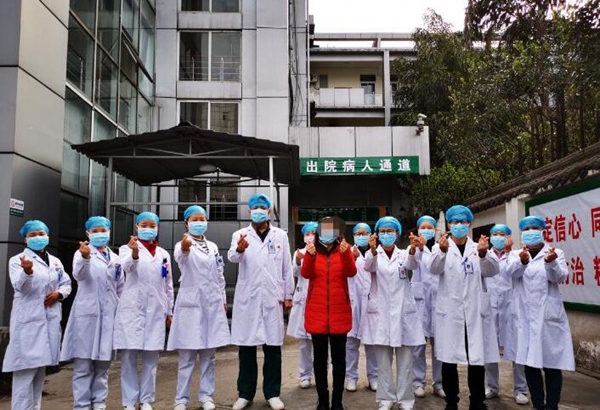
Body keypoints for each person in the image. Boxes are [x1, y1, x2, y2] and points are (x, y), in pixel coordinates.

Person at [426, 205, 500, 410]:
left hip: (474, 313)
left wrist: (484, 255)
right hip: (450, 313)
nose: (459, 225)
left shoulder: (479, 248)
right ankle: (452, 402)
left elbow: (493, 270)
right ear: (449, 225)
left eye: (463, 222)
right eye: (454, 222)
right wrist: (442, 251)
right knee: (449, 361)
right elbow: (433, 269)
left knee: (476, 360)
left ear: (469, 224)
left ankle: (477, 402)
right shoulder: (439, 247)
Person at [227, 194, 294, 410]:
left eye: (262, 207)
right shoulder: (240, 234)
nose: (258, 210)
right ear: (249, 211)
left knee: (273, 348)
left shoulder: (280, 236)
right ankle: (245, 394)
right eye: (254, 207)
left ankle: (272, 393)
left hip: (272, 297)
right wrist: (240, 249)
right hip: (249, 298)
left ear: (269, 211)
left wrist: (288, 295)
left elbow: (286, 266)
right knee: (246, 348)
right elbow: (232, 258)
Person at [504, 216, 575, 410]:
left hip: (548, 316)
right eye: (526, 229)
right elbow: (511, 273)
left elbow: (560, 277)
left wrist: (551, 263)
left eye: (534, 227)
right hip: (525, 317)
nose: (530, 231)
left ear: (543, 230)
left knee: (552, 364)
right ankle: (538, 405)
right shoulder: (516, 254)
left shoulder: (555, 253)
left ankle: (552, 406)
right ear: (521, 232)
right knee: (530, 365)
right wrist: (522, 262)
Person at [3, 220, 72, 410]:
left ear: (47, 236)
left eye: (41, 234)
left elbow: (66, 283)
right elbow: (21, 287)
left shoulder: (55, 261)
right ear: (25, 239)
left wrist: (59, 294)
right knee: (25, 373)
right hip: (28, 322)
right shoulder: (17, 260)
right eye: (32, 235)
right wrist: (27, 272)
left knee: (40, 372)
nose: (38, 237)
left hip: (49, 320)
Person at [168, 205, 231, 410]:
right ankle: (181, 399)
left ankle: (206, 397)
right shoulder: (181, 244)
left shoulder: (213, 246)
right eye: (194, 219)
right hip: (191, 305)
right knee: (187, 357)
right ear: (186, 223)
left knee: (208, 356)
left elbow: (219, 274)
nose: (198, 223)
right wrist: (186, 248)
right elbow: (181, 257)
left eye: (202, 219)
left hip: (212, 303)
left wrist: (222, 298)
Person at [61, 216, 124, 410]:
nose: (100, 234)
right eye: (95, 231)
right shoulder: (81, 253)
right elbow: (78, 275)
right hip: (87, 314)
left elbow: (120, 287)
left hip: (109, 315)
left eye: (103, 230)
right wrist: (86, 258)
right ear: (88, 233)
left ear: (109, 232)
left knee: (103, 365)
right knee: (83, 365)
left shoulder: (115, 258)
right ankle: (81, 405)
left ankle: (99, 403)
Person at [362, 216, 425, 410]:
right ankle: (385, 399)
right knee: (383, 363)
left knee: (405, 363)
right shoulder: (374, 254)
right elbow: (368, 266)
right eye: (383, 231)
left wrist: (413, 250)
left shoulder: (404, 253)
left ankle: (406, 400)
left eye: (390, 231)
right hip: (381, 315)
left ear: (397, 234)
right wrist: (373, 250)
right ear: (377, 234)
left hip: (404, 315)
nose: (386, 234)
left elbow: (413, 265)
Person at [113, 211, 174, 410]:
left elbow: (168, 284)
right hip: (133, 310)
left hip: (156, 310)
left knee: (151, 359)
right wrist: (135, 254)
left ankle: (146, 400)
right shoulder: (126, 249)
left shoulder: (163, 254)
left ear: (157, 228)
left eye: (152, 225)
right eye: (144, 225)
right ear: (137, 227)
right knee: (129, 358)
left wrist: (169, 311)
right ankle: (129, 402)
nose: (148, 229)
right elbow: (127, 268)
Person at [301, 216, 357, 410]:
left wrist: (346, 253)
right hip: (317, 314)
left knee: (339, 361)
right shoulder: (312, 251)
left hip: (339, 313)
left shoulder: (344, 250)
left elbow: (351, 272)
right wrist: (309, 256)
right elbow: (306, 274)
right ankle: (323, 400)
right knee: (319, 361)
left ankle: (337, 401)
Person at [484, 224, 529, 405]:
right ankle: (491, 387)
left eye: (502, 234)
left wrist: (510, 252)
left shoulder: (518, 255)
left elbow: (515, 272)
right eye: (495, 234)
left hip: (511, 306)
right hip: (490, 306)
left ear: (509, 237)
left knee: (516, 350)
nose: (498, 237)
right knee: (490, 349)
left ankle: (521, 389)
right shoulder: (484, 255)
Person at [411, 215, 445, 399]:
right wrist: (419, 248)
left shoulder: (441, 248)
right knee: (418, 346)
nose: (426, 230)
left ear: (434, 230)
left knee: (439, 346)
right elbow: (412, 263)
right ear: (418, 230)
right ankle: (418, 382)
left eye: (429, 227)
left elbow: (437, 267)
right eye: (422, 227)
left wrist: (426, 248)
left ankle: (439, 383)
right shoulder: (413, 248)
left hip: (439, 301)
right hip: (419, 302)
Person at [286, 221, 318, 389]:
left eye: (313, 233)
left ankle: (320, 375)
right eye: (307, 234)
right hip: (303, 299)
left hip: (318, 300)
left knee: (321, 343)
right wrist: (298, 261)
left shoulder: (323, 252)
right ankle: (305, 375)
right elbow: (296, 273)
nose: (310, 236)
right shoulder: (299, 252)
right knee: (304, 343)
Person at [346, 223, 378, 392]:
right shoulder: (348, 252)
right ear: (353, 236)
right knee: (351, 344)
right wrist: (352, 258)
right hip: (353, 303)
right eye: (358, 234)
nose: (361, 236)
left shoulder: (377, 252)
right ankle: (351, 377)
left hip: (372, 303)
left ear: (370, 234)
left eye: (364, 233)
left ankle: (374, 377)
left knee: (372, 344)